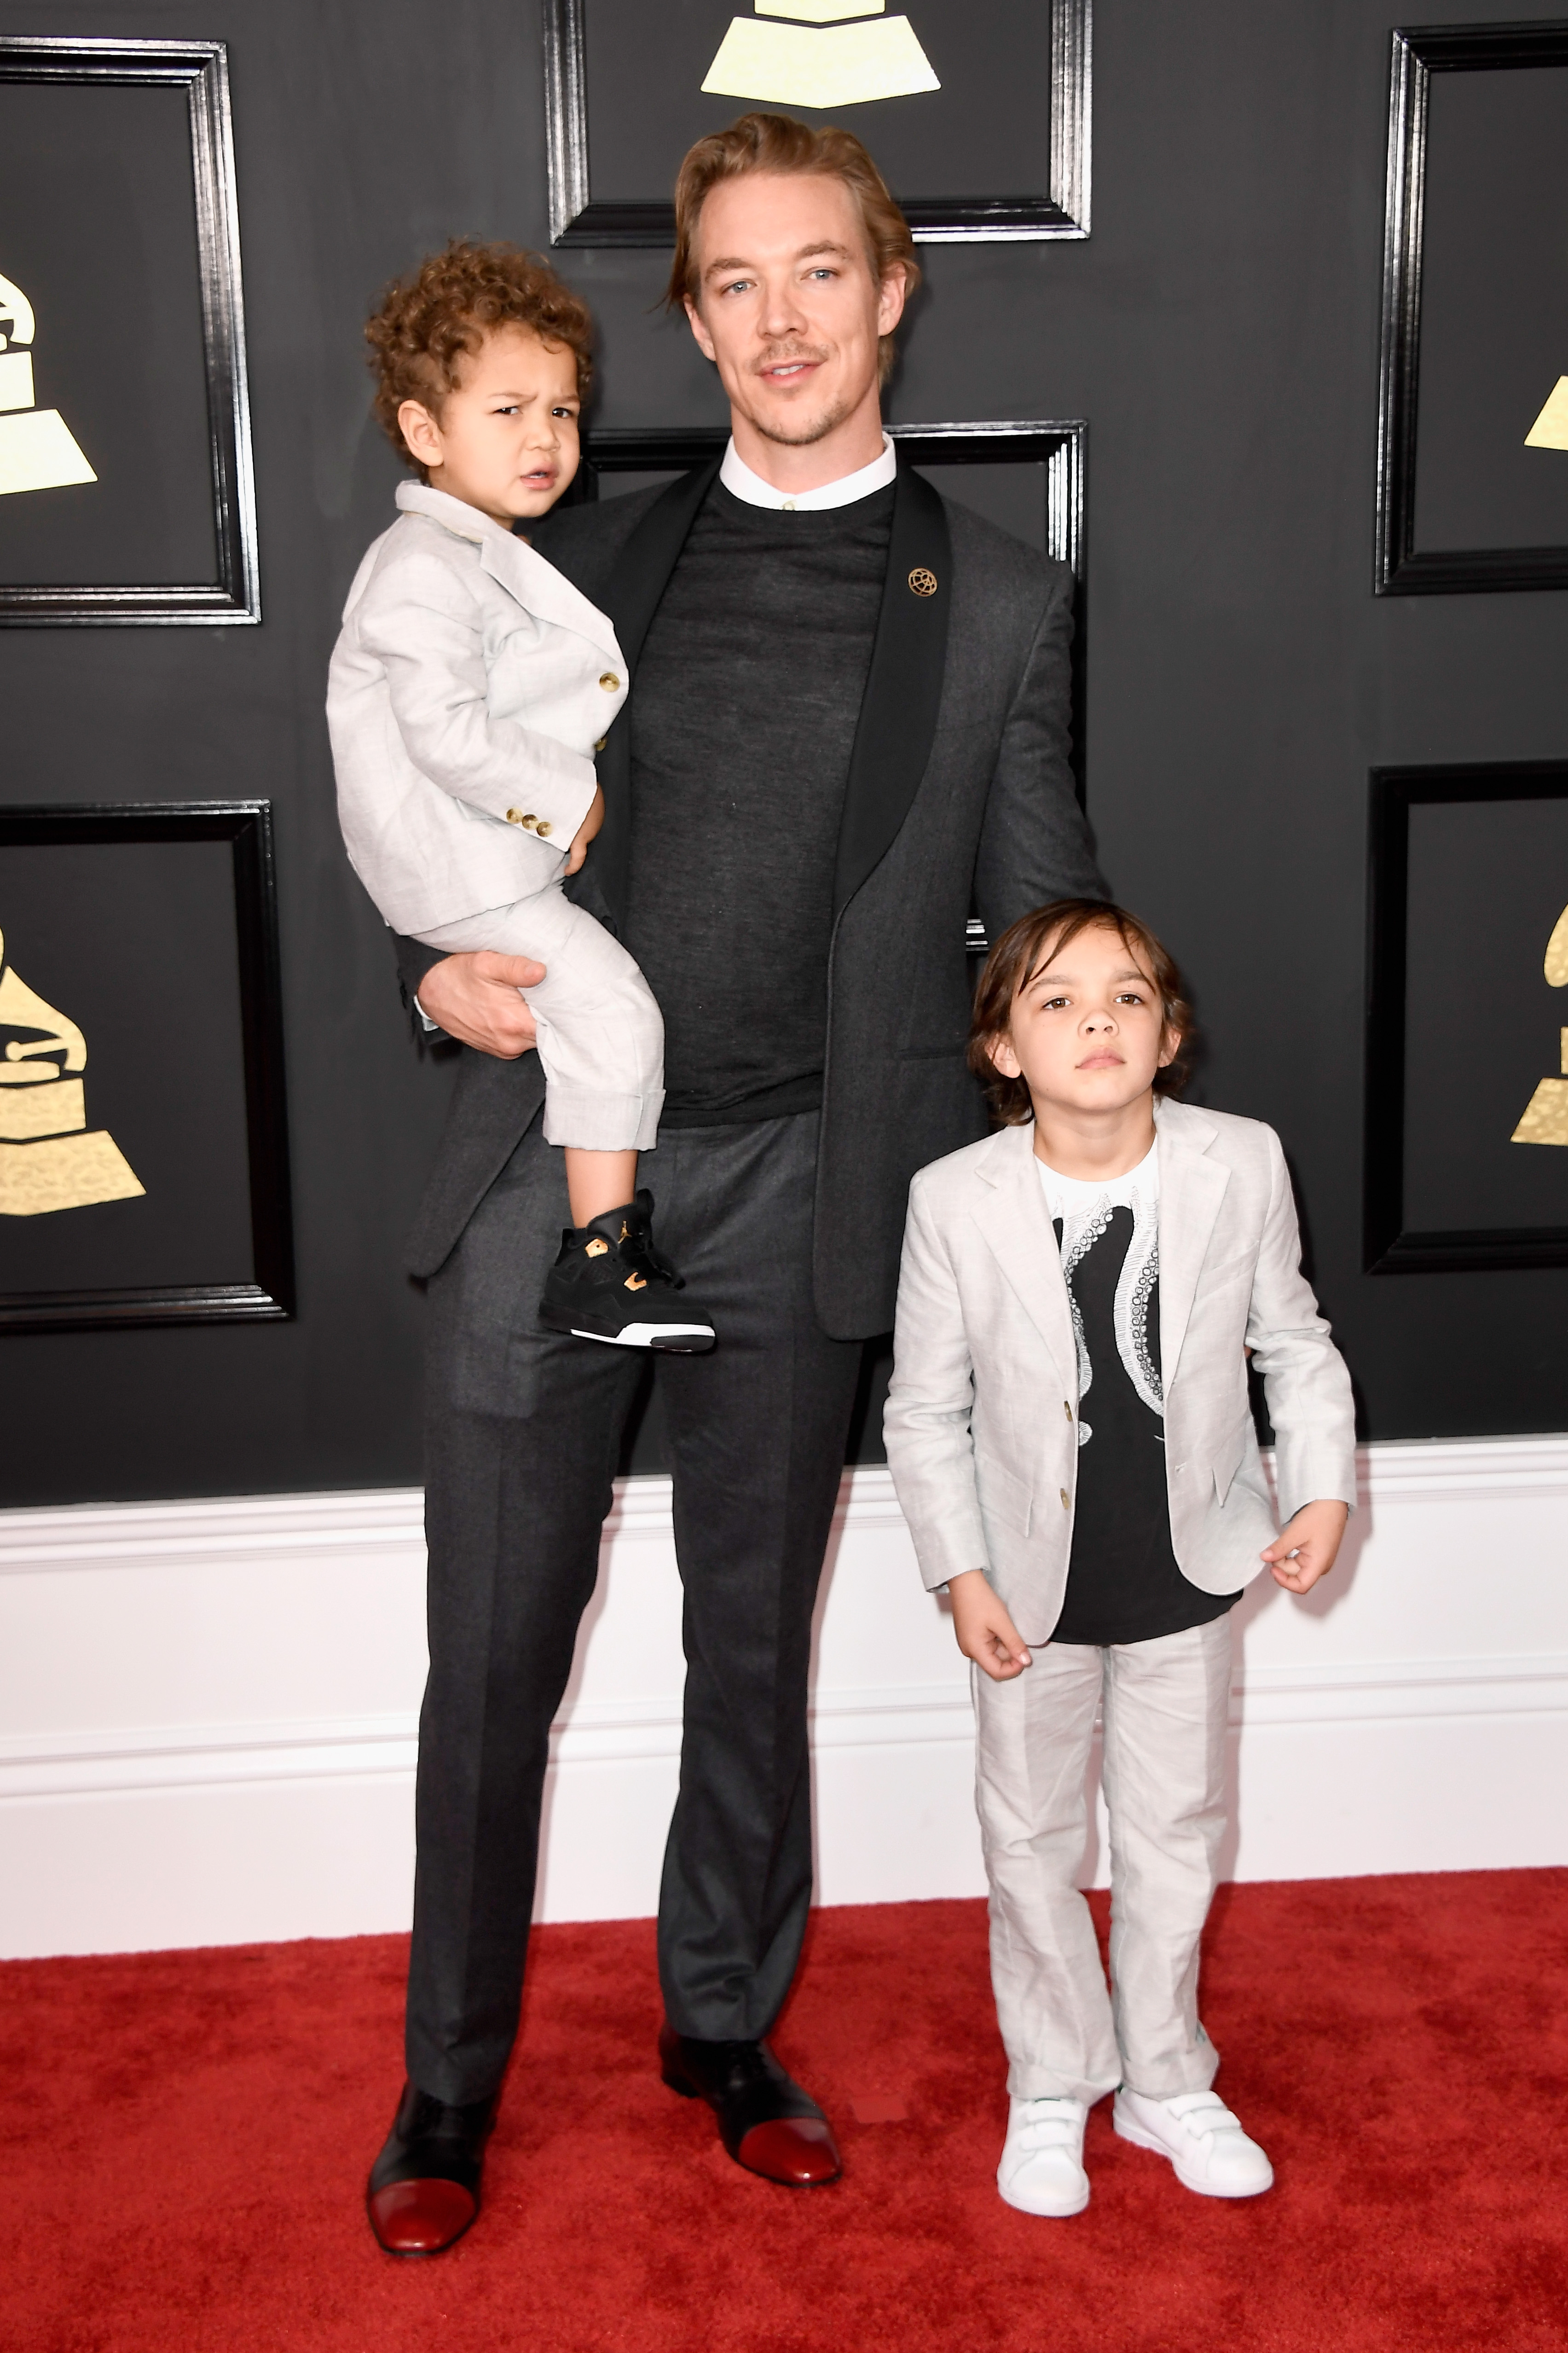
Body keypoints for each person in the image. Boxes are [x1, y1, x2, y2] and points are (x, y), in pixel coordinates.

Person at [366, 114, 1105, 2256]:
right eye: (730, 286)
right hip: (544, 1164)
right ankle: (446, 2077)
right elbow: (405, 782)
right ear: (690, 321)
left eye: (816, 273)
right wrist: (435, 977)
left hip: (814, 1176)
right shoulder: (556, 555)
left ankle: (719, 2025)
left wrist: (1086, 1184)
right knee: (489, 1651)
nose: (776, 317)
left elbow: (1043, 920)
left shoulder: (1010, 607)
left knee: (740, 1648)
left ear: (888, 294)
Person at [883, 898, 1357, 2219]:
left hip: (1188, 1569)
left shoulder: (1240, 1163)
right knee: (1031, 1838)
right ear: (1002, 1051)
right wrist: (958, 1572)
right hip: (1025, 1590)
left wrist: (1319, 1488)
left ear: (1170, 1034)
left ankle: (1163, 2076)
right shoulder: (953, 1202)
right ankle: (1052, 2081)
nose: (1097, 1019)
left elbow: (1294, 1345)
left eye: (1127, 997)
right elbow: (924, 1410)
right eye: (1056, 1000)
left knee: (1174, 1836)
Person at [327, 240, 712, 1349]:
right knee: (617, 1012)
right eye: (508, 410)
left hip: (487, 865)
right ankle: (603, 1254)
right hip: (465, 879)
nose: (545, 439)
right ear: (424, 431)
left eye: (563, 410)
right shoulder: (420, 566)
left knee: (608, 1015)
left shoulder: (476, 551)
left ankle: (605, 1249)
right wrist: (569, 800)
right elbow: (445, 731)